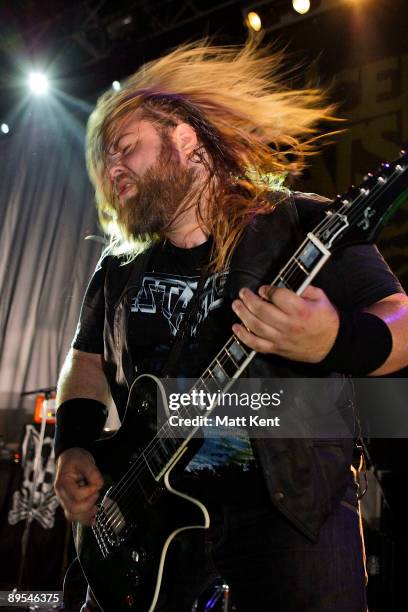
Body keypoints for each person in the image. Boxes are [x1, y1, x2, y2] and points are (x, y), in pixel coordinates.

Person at [54, 40, 408, 611]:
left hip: (288, 510)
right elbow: (87, 360)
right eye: (104, 162)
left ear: (186, 139)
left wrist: (335, 340)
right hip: (147, 521)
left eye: (126, 147)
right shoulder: (119, 268)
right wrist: (72, 446)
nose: (113, 167)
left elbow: (402, 320)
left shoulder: (301, 223)